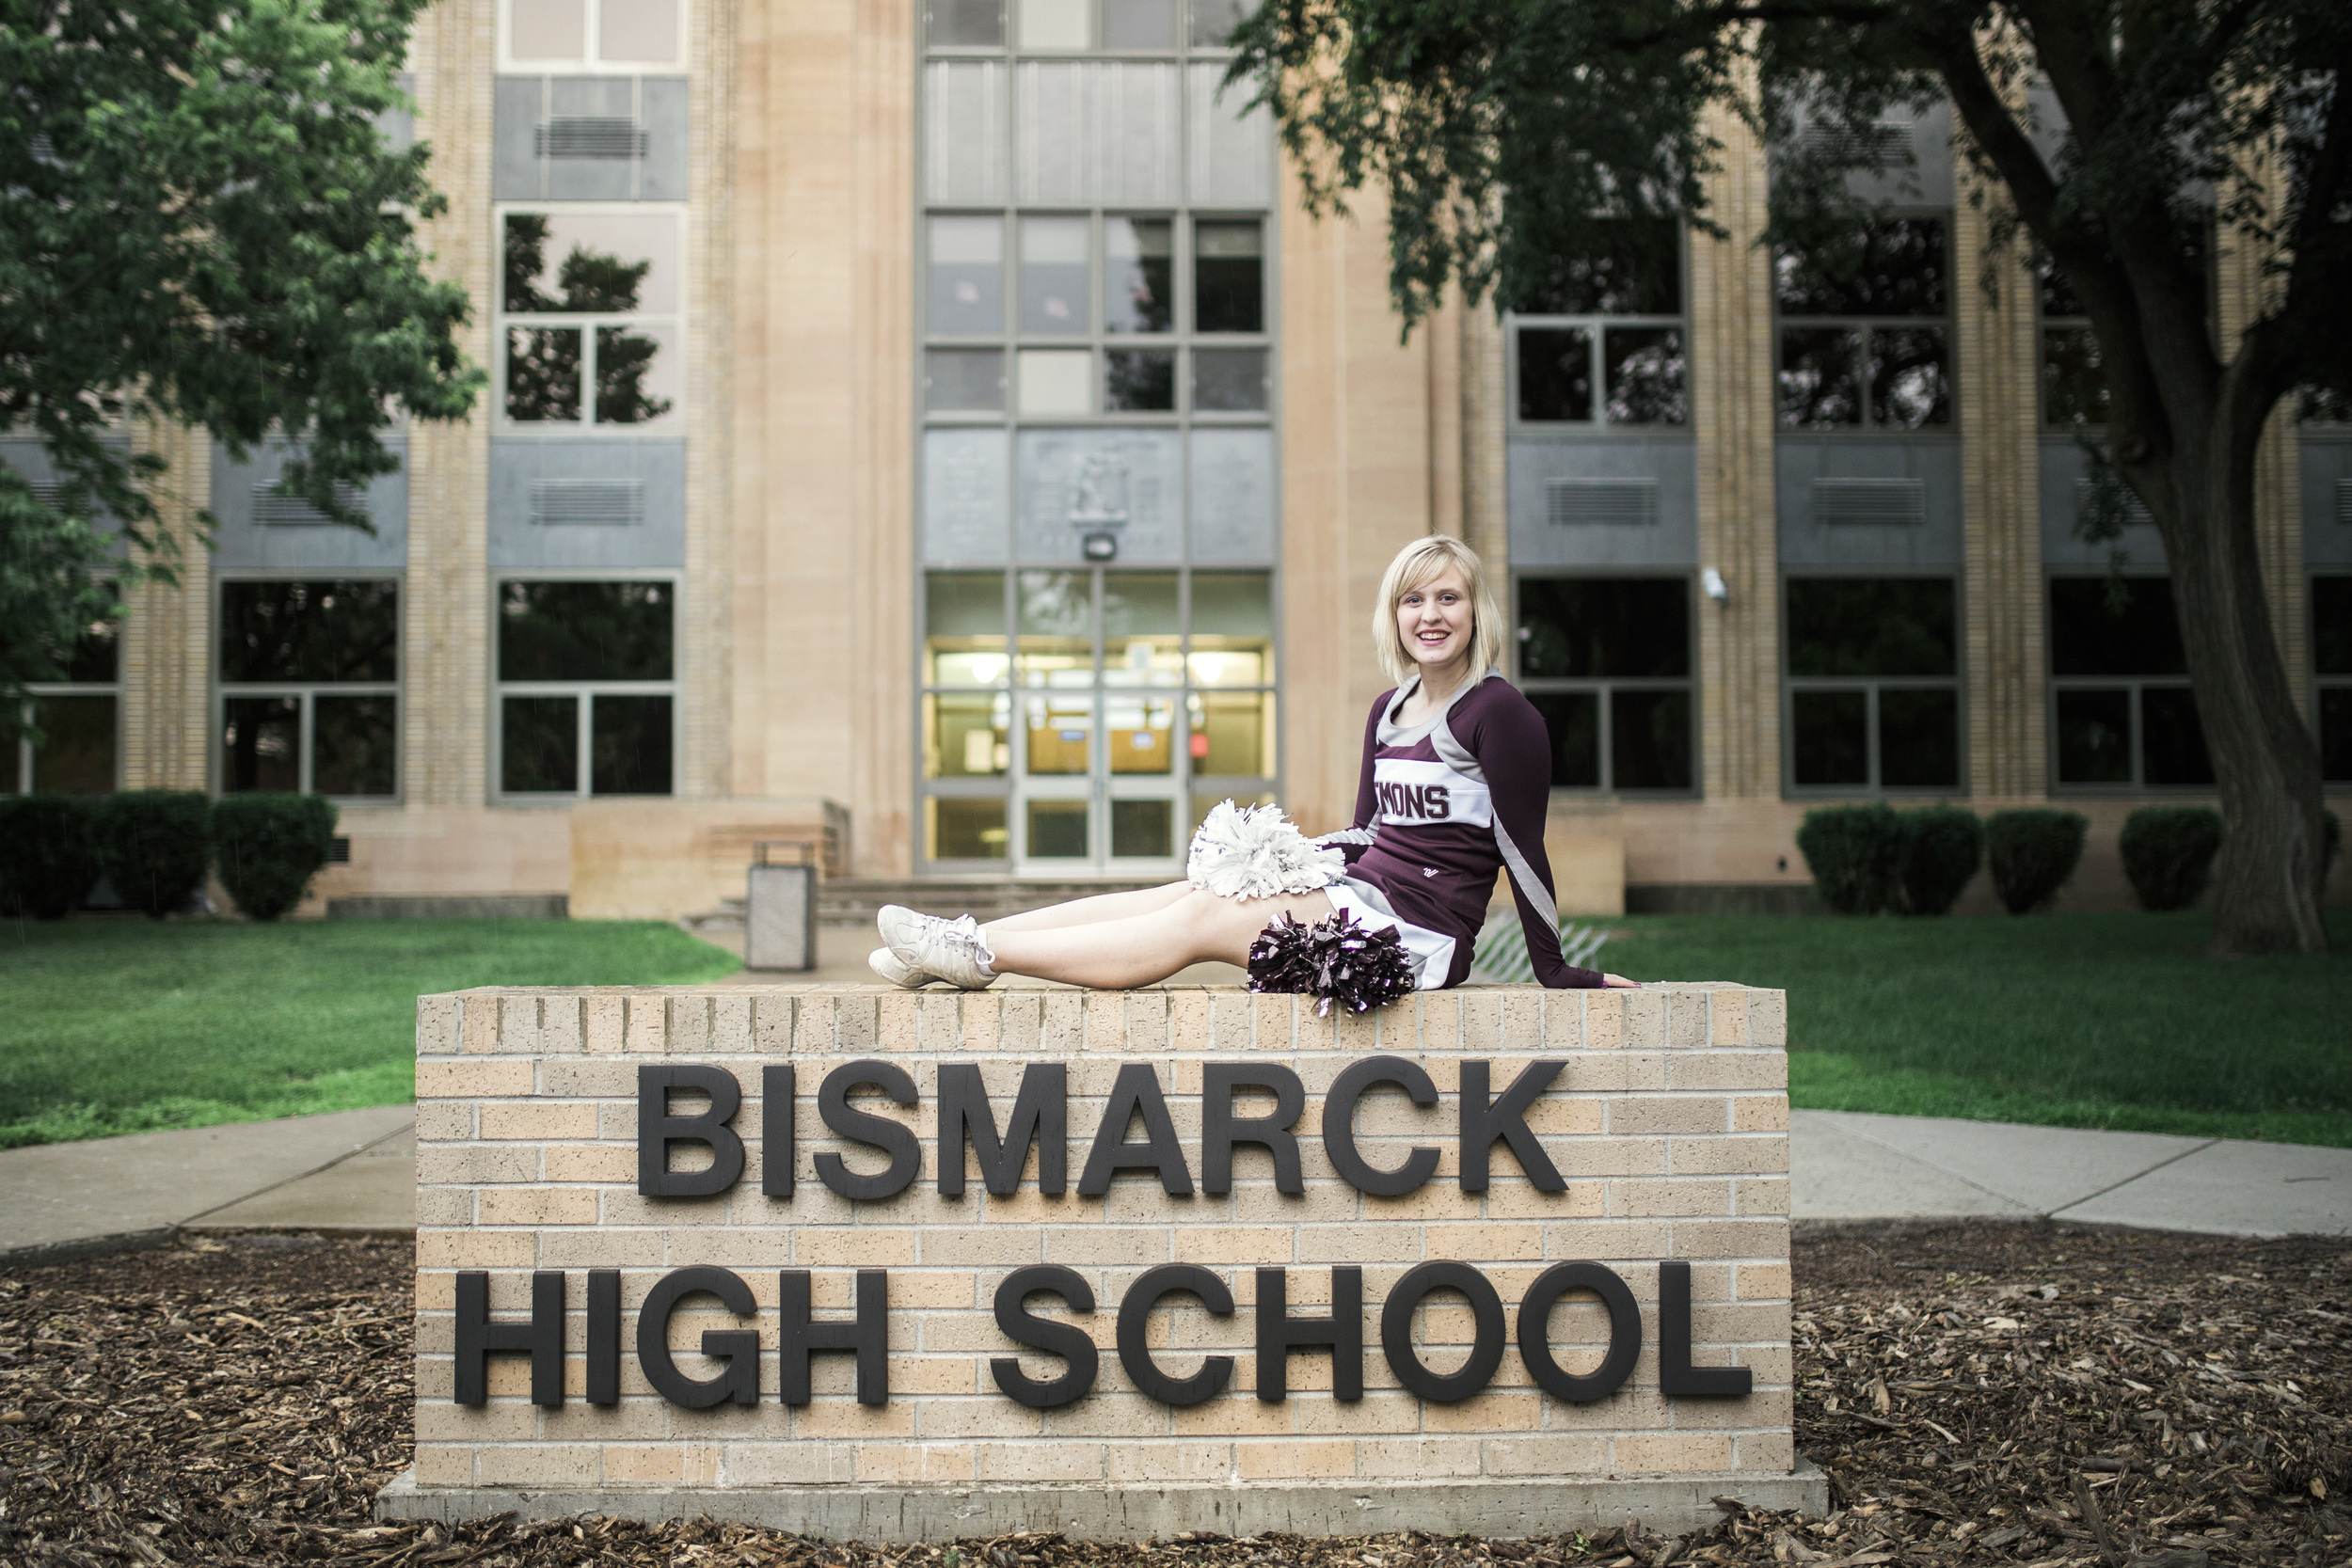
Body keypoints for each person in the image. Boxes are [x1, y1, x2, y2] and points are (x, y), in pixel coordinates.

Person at [873, 535, 1640, 993]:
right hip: (1358, 892)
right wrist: (1287, 860)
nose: (1430, 615)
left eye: (1448, 598)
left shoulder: (1499, 713)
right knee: (1194, 887)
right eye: (1413, 600)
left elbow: (1521, 849)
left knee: (1204, 920)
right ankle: (959, 939)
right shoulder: (1389, 707)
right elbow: (1369, 833)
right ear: (1393, 614)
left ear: (1477, 612)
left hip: (1415, 939)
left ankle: (976, 955)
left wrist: (1556, 971)